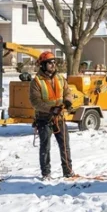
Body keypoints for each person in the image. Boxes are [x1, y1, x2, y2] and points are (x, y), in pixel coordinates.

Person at [29, 51, 75, 180]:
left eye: (54, 62)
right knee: (45, 146)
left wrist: (68, 101)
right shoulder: (36, 82)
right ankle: (46, 173)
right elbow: (35, 101)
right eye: (50, 62)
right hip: (44, 118)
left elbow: (67, 92)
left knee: (65, 145)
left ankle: (68, 171)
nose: (53, 65)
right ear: (43, 65)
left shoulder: (60, 78)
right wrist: (50, 109)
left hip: (59, 118)